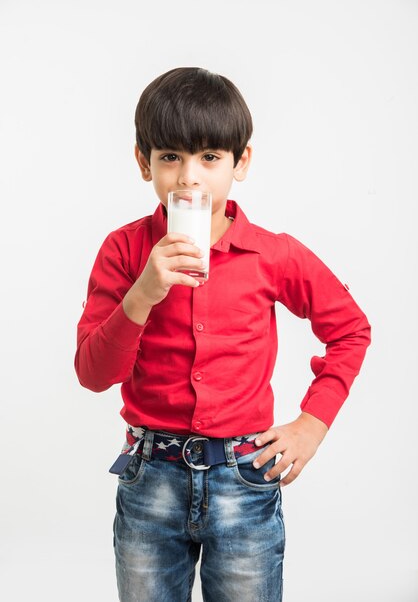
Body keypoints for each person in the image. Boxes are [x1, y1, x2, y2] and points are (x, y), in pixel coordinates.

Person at [74, 67, 371, 602]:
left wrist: (313, 423)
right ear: (144, 163)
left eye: (210, 158)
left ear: (241, 162)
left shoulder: (273, 254)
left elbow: (350, 329)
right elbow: (94, 375)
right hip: (150, 477)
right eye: (170, 157)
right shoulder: (122, 252)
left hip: (244, 477)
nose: (190, 178)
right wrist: (140, 295)